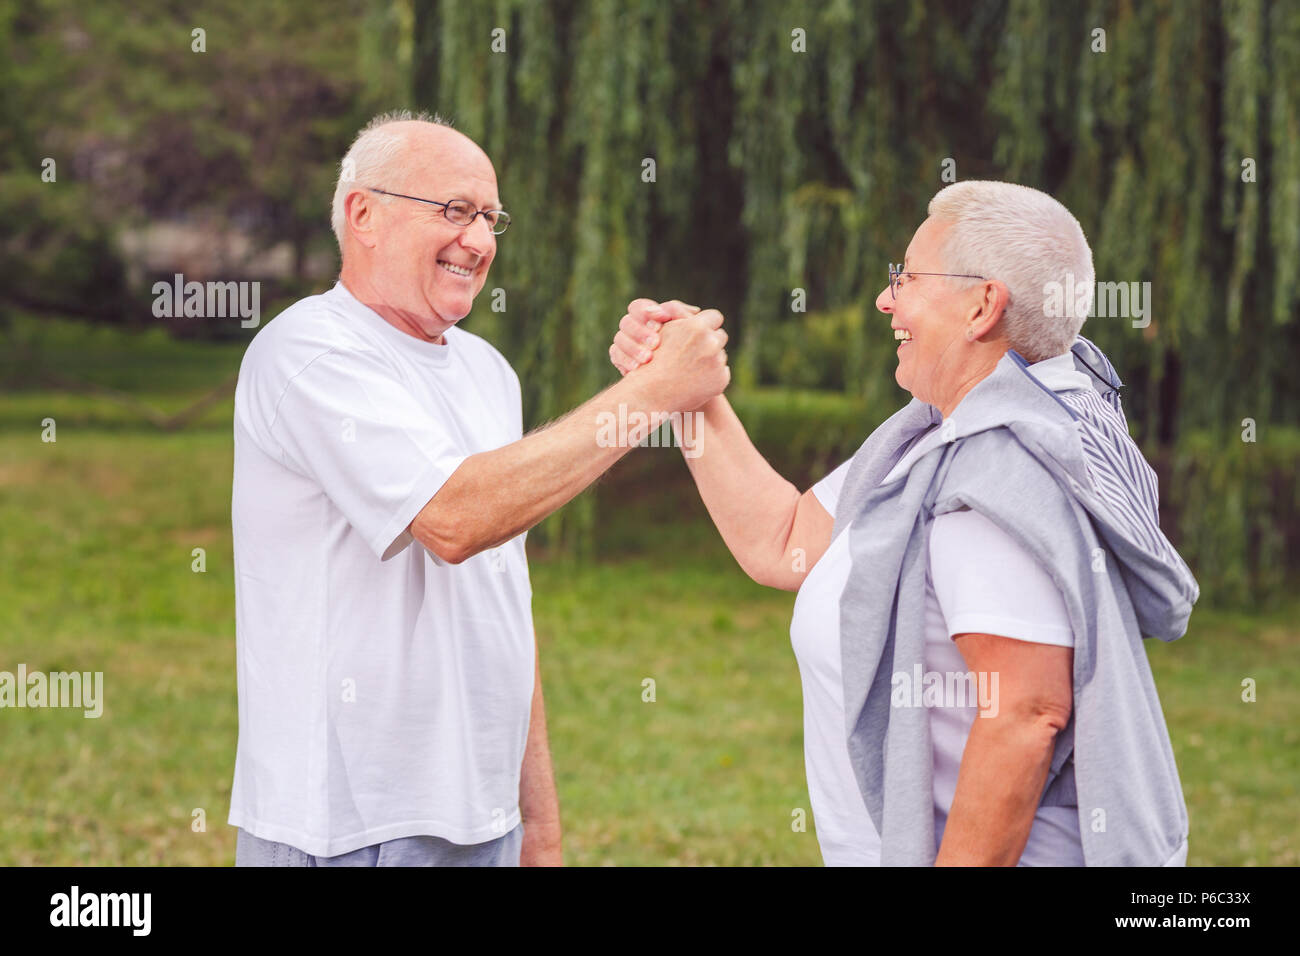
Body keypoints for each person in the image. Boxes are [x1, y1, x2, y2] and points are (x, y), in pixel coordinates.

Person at [610, 180, 1199, 866]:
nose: (886, 299)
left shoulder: (1000, 472)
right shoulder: (934, 434)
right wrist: (683, 393)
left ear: (983, 305)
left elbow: (1023, 716)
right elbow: (787, 542)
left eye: (907, 277)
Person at [229, 111, 730, 866]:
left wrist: (541, 826)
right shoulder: (308, 351)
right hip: (346, 825)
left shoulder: (487, 373)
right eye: (455, 211)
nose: (480, 240)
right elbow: (456, 519)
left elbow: (503, 605)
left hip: (483, 821)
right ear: (364, 214)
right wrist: (654, 394)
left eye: (491, 218)